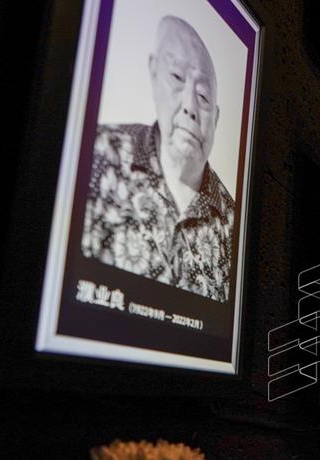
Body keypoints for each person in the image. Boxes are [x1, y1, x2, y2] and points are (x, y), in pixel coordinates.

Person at [81, 16, 235, 303]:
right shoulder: (99, 153)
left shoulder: (232, 221)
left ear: (215, 118)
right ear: (153, 73)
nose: (190, 107)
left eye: (203, 96)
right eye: (176, 77)